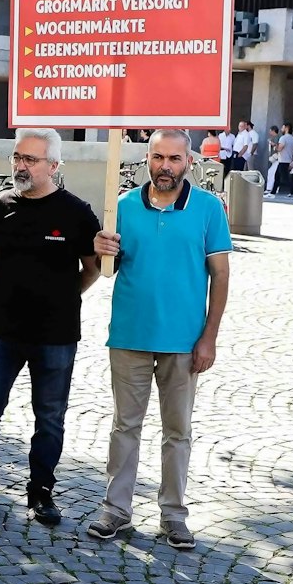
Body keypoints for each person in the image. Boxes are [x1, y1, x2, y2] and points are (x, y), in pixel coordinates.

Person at [87, 129, 232, 549]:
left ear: (189, 161)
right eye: (157, 157)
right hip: (130, 333)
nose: (164, 166)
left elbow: (220, 276)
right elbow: (104, 267)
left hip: (184, 340)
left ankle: (173, 515)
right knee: (124, 426)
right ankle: (116, 510)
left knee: (177, 431)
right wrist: (99, 250)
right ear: (146, 159)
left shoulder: (208, 209)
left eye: (173, 158)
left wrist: (209, 337)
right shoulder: (123, 207)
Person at [0, 129, 99, 524]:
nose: (21, 165)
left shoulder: (76, 212)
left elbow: (92, 270)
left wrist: (64, 296)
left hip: (56, 334)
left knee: (49, 417)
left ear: (53, 166)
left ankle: (41, 493)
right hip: (0, 330)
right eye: (17, 157)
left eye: (30, 160)